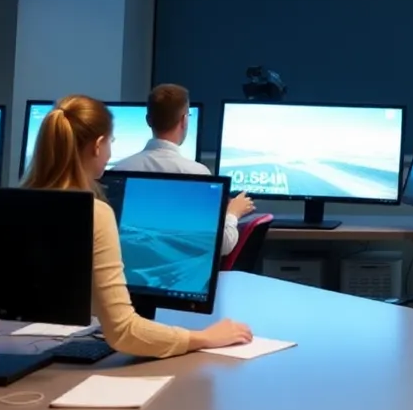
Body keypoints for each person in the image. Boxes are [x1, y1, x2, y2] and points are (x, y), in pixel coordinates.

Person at [22, 94, 253, 358]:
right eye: (111, 141)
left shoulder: (13, 205)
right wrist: (204, 337)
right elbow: (123, 331)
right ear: (98, 146)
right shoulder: (94, 213)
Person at [111, 83, 256, 255]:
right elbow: (222, 246)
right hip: (182, 278)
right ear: (184, 120)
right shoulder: (197, 175)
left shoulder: (117, 172)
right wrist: (233, 213)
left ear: (148, 120)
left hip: (129, 276)